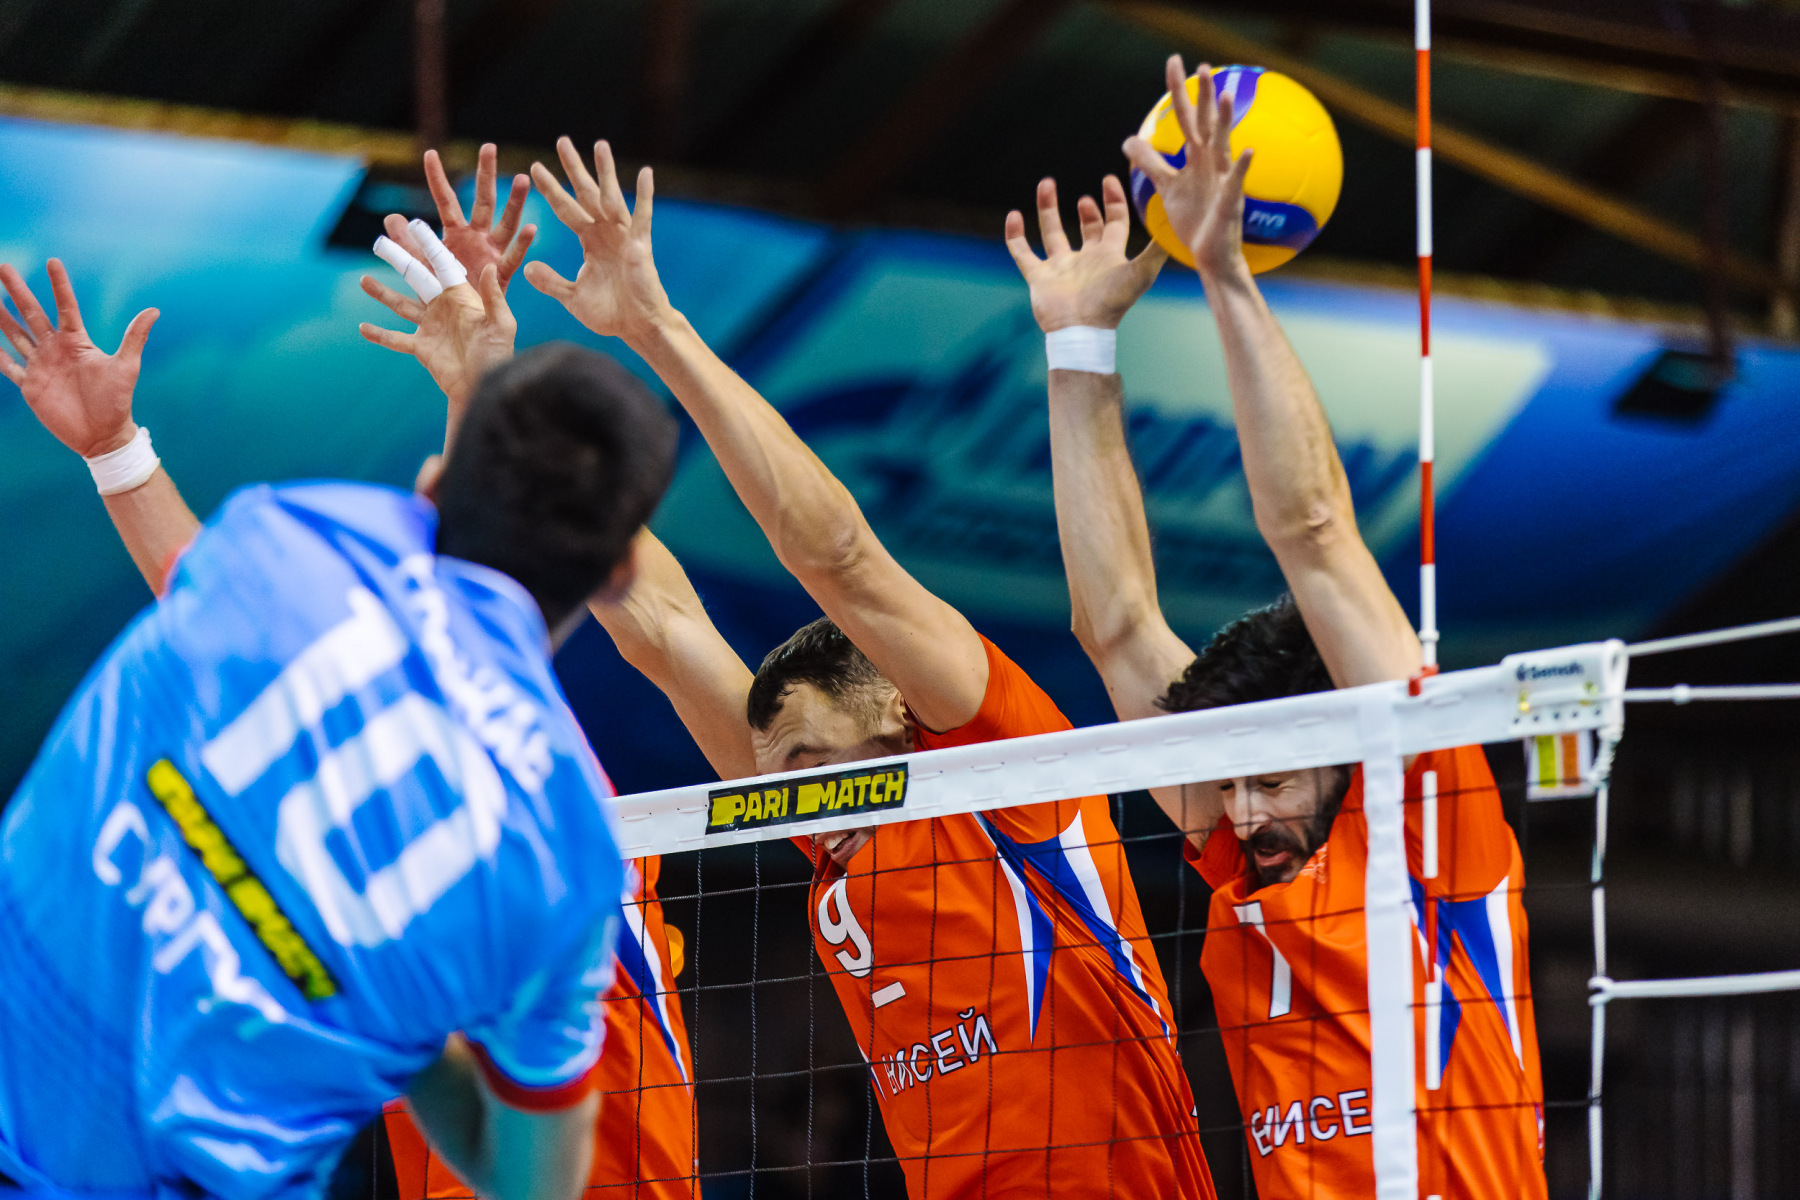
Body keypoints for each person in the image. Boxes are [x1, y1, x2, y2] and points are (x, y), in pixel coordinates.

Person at [523, 137, 1215, 1199]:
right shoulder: (834, 840)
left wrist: (657, 329)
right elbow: (659, 628)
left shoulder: (1002, 778)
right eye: (780, 777)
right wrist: (497, 391)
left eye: (809, 766)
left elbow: (837, 557)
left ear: (899, 712)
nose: (795, 801)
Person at [0, 252, 676, 1200]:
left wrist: (114, 447)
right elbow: (529, 1187)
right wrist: (386, 993)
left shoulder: (285, 536)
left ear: (431, 485)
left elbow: (200, 588)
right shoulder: (566, 854)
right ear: (618, 577)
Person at [1011, 54, 1546, 1199]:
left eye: (1273, 782)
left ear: (1349, 753)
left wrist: (1224, 272)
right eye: (1233, 782)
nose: (1242, 814)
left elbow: (1313, 530)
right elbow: (1117, 628)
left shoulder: (1429, 831)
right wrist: (1079, 344)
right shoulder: (1242, 851)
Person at [353, 146, 699, 1200]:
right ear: (619, 567)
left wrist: (119, 455)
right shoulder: (566, 834)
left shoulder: (394, 779)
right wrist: (484, 382)